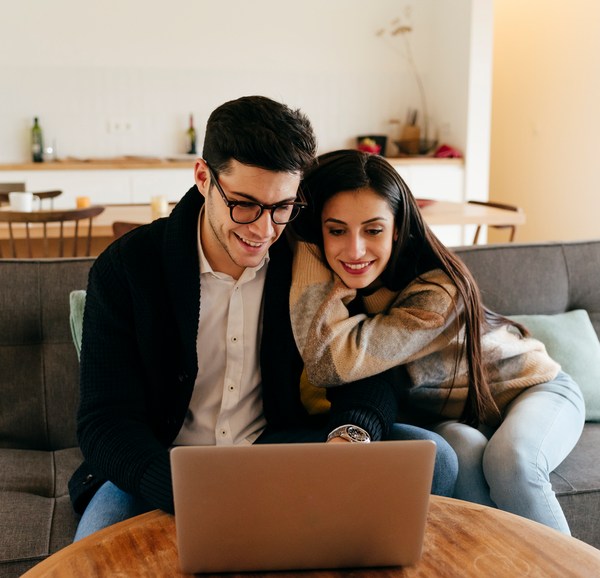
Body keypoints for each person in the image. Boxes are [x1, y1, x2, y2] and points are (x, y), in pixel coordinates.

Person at [69, 97, 457, 541]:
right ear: (203, 178)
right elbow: (103, 422)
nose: (264, 230)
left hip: (275, 450)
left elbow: (367, 366)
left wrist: (351, 437)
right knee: (91, 557)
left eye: (281, 207)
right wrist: (192, 492)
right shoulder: (128, 267)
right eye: (244, 204)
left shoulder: (305, 257)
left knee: (437, 457)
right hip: (161, 465)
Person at [289, 149, 585, 534]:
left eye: (373, 230)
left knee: (511, 461)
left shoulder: (437, 293)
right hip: (462, 416)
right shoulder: (352, 284)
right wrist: (310, 240)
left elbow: (331, 359)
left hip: (536, 390)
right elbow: (330, 361)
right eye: (336, 230)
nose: (355, 249)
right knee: (457, 451)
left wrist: (312, 245)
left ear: (397, 229)